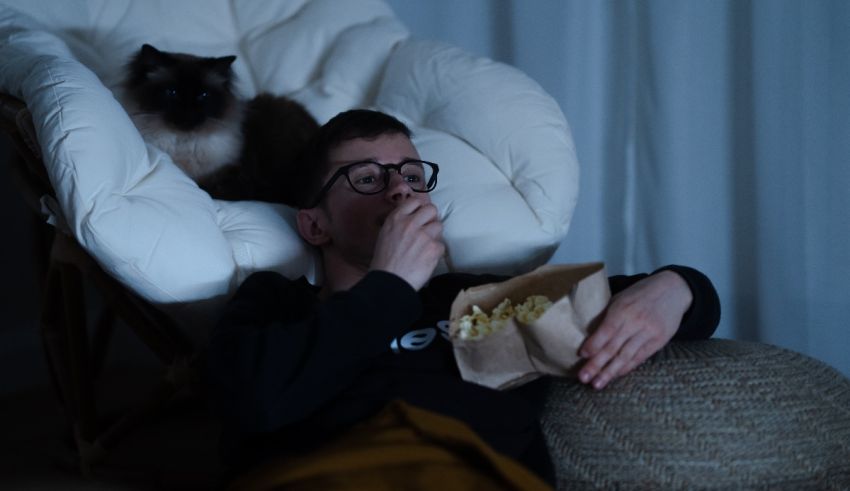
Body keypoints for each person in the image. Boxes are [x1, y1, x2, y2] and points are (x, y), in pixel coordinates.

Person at [207, 109, 721, 490]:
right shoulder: (274, 303)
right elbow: (253, 403)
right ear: (314, 224)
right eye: (366, 178)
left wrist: (680, 286)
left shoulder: (477, 299)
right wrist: (390, 285)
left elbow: (653, 297)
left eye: (412, 175)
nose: (400, 192)